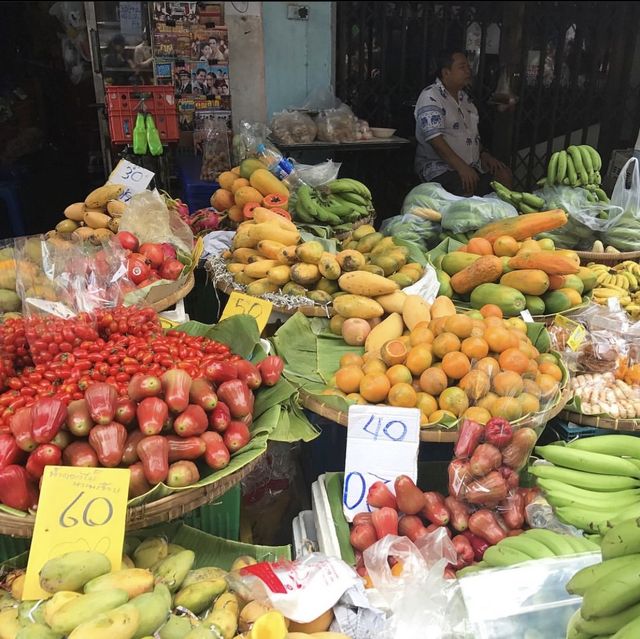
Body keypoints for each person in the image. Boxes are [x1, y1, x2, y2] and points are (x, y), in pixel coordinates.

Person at [414, 48, 512, 196]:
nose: (468, 71)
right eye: (462, 67)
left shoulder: (465, 99)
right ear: (446, 72)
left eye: (468, 67)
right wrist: (462, 168)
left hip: (473, 165)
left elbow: (471, 136)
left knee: (503, 174)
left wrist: (485, 155)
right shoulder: (431, 96)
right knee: (465, 183)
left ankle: (505, 217)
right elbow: (436, 141)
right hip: (440, 168)